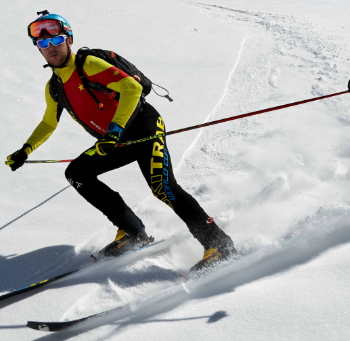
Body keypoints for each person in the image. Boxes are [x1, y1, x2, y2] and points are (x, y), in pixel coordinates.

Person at [5, 11, 236, 273]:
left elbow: (132, 88)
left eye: (55, 40)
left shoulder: (88, 63)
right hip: (114, 140)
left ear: (68, 39)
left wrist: (114, 130)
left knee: (163, 187)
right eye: (42, 44)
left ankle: (219, 244)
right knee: (77, 173)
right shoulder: (54, 86)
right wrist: (25, 150)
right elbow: (48, 122)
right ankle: (133, 232)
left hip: (143, 127)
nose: (50, 48)